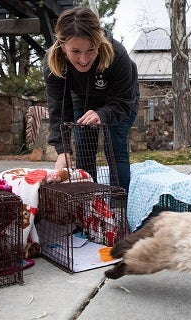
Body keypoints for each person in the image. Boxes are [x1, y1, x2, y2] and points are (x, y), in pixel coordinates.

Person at [44, 7, 139, 192]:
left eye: (91, 50)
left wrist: (103, 114)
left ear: (99, 43)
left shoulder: (117, 54)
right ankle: (89, 204)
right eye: (75, 51)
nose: (84, 59)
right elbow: (59, 108)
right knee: (84, 149)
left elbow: (123, 100)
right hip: (83, 98)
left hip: (121, 100)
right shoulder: (52, 63)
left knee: (115, 147)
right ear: (62, 46)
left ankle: (118, 206)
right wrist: (62, 150)